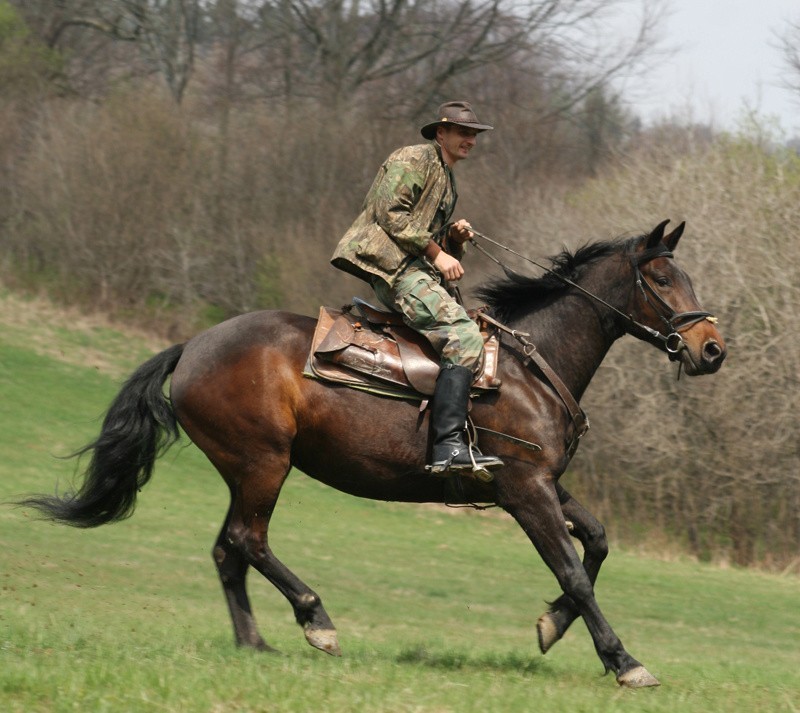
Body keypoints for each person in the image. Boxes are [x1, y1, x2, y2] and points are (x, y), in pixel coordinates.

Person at [331, 100, 503, 476]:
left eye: (474, 134)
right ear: (440, 132)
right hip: (392, 268)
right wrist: (438, 252)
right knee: (464, 337)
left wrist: (453, 241)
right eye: (462, 132)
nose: (470, 140)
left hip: (410, 266)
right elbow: (389, 212)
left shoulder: (447, 175)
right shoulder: (415, 158)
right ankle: (448, 448)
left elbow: (430, 241)